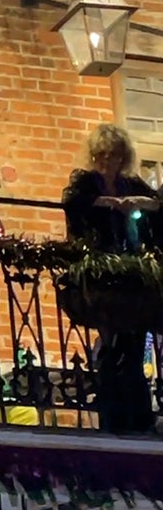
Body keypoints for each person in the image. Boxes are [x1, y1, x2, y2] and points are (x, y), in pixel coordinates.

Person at [62, 124, 162, 434]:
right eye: (102, 155)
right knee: (110, 346)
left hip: (130, 271)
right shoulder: (85, 182)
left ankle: (139, 416)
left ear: (124, 157)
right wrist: (103, 204)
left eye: (114, 155)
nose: (107, 161)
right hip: (100, 272)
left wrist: (142, 204)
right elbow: (73, 206)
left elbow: (157, 206)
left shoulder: (130, 182)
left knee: (132, 347)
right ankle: (113, 417)